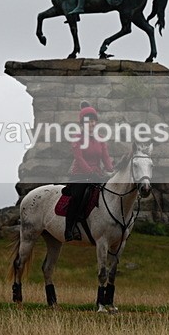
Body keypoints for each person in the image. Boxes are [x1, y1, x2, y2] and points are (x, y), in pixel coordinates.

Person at [64, 101, 114, 241]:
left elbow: (106, 158)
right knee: (78, 196)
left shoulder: (101, 139)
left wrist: (112, 170)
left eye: (93, 121)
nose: (91, 124)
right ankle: (69, 228)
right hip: (80, 175)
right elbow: (79, 158)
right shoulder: (77, 138)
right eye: (88, 121)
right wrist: (90, 172)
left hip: (97, 175)